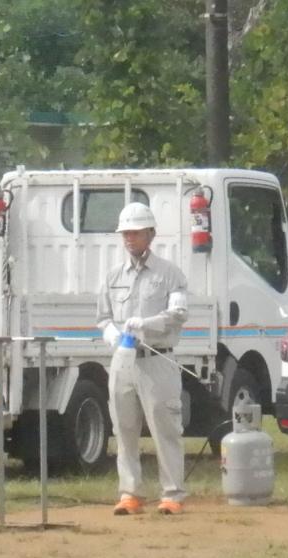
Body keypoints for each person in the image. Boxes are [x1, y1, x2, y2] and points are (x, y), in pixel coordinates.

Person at [97, 202, 189, 515]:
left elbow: (178, 314)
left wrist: (146, 324)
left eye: (135, 233)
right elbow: (103, 316)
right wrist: (110, 333)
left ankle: (172, 494)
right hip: (123, 360)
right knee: (123, 427)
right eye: (125, 233)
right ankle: (130, 492)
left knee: (165, 428)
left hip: (157, 359)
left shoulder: (169, 275)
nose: (129, 239)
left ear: (150, 234)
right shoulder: (112, 276)